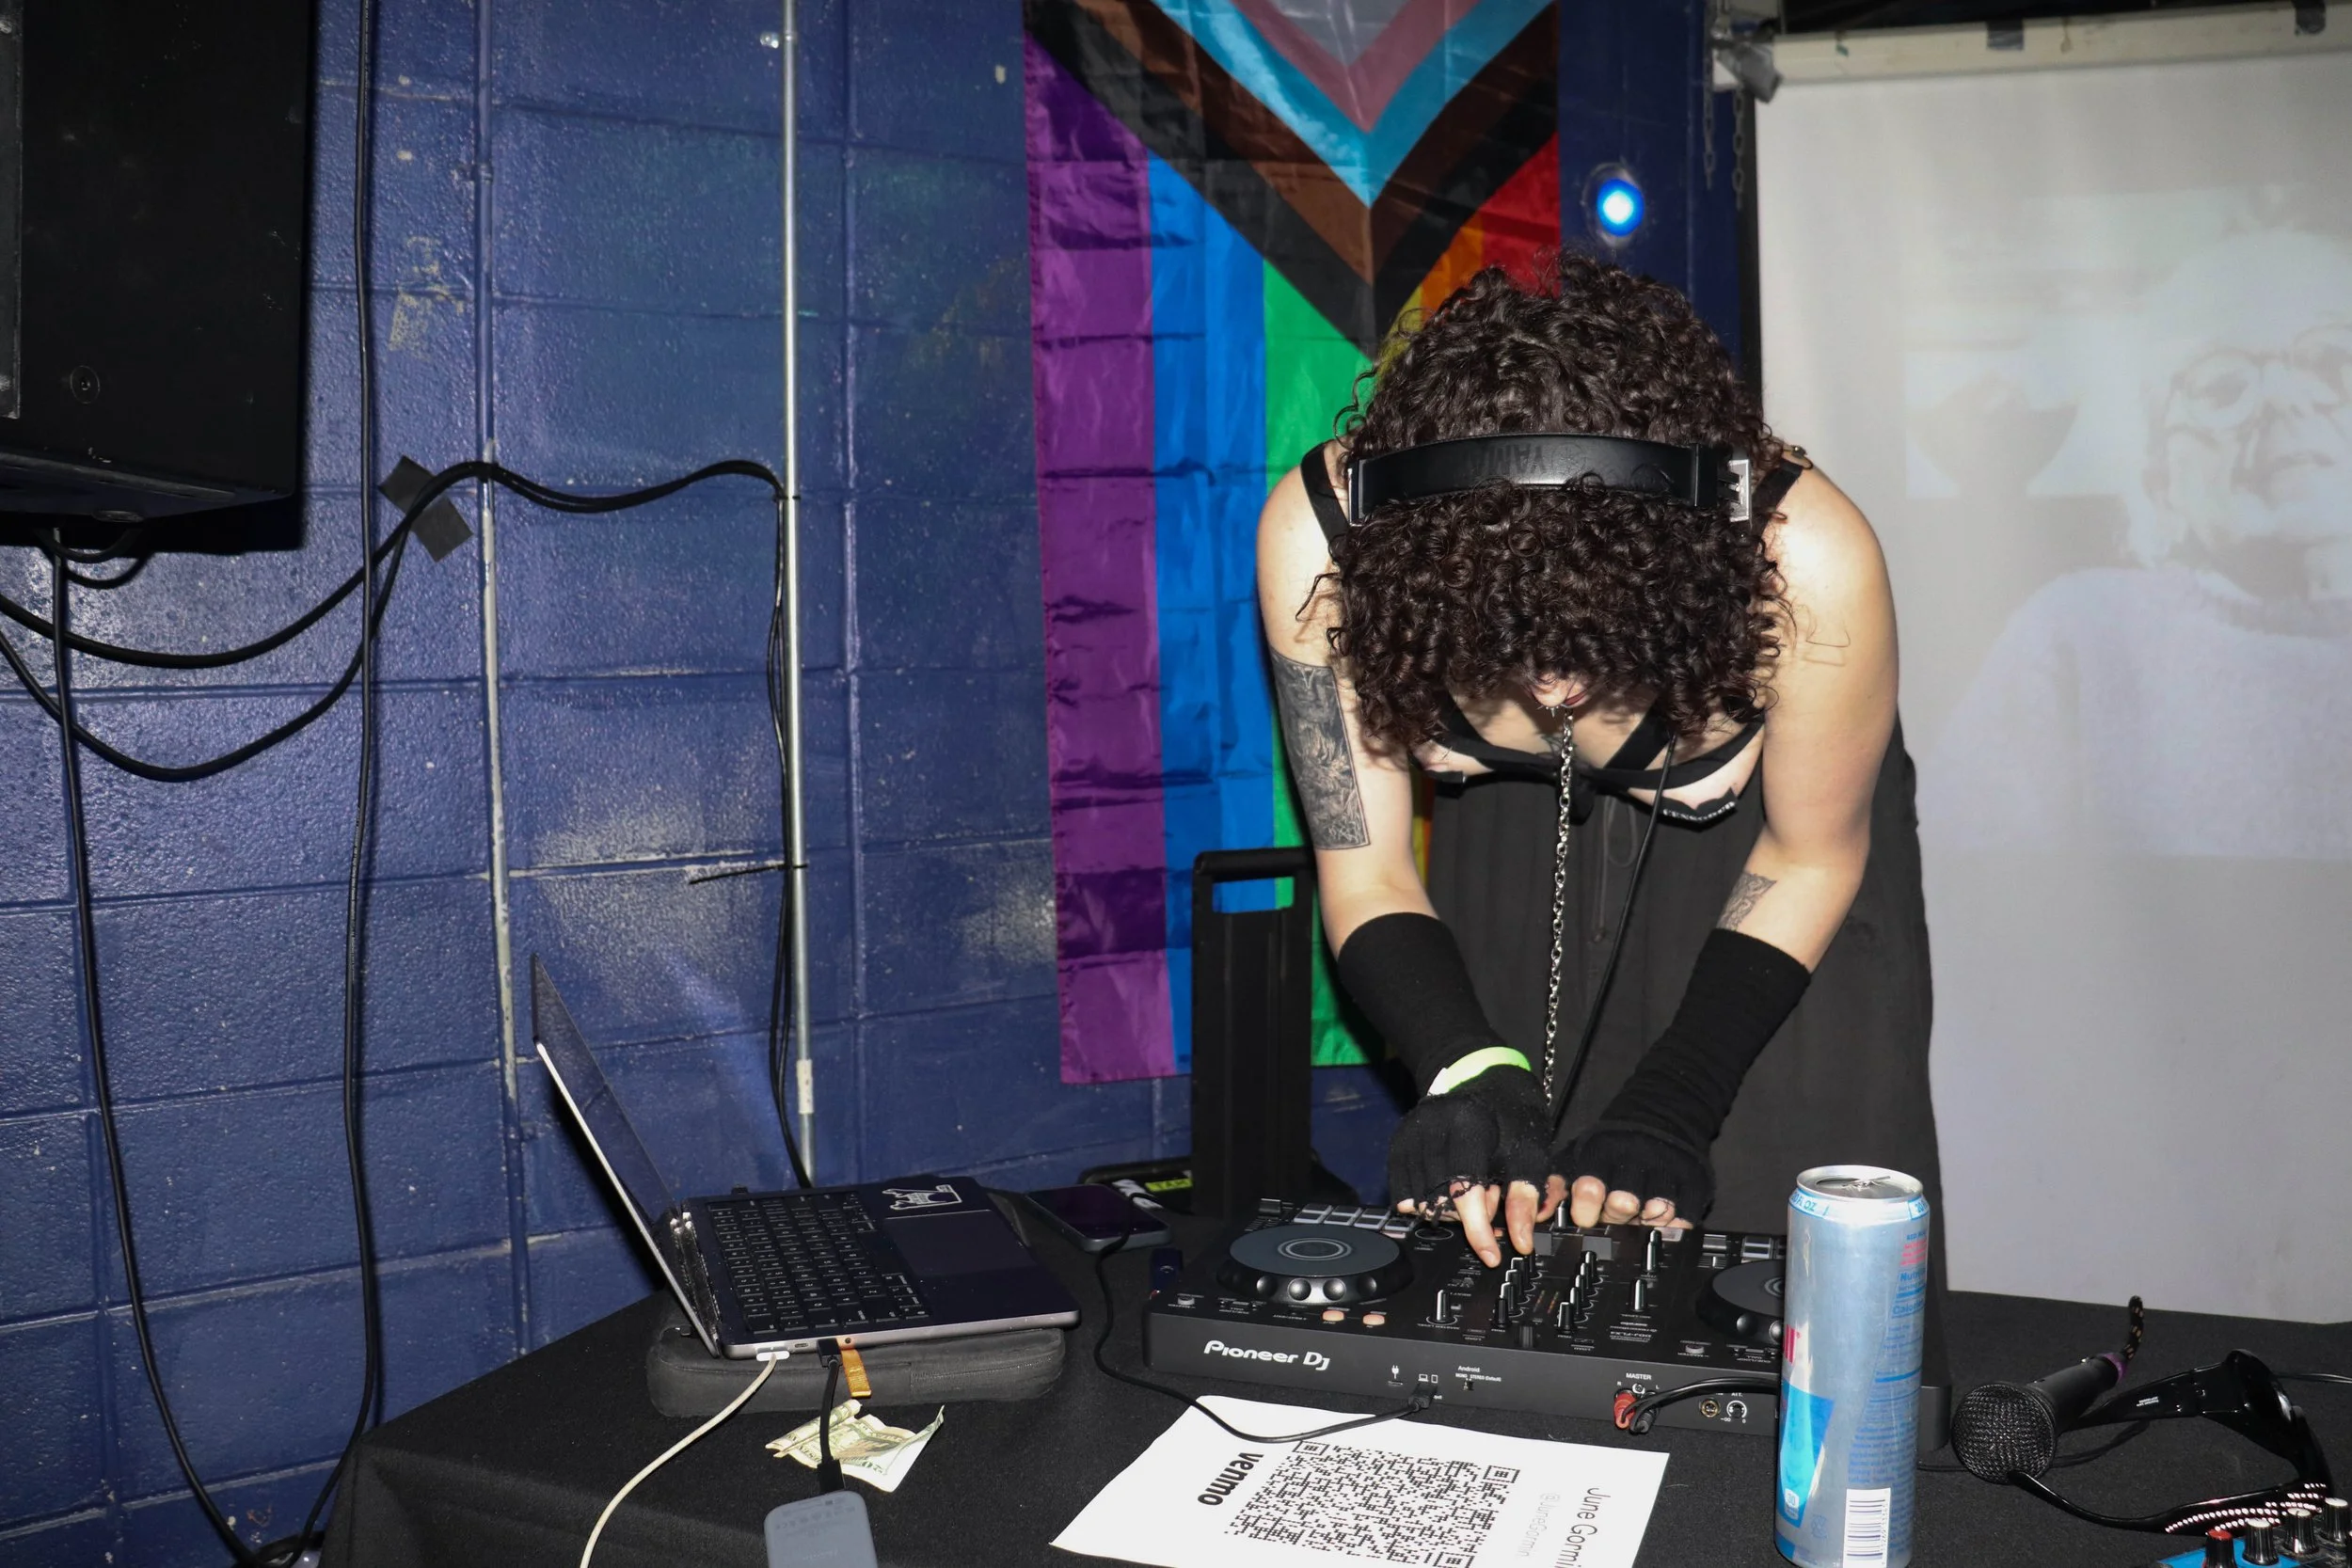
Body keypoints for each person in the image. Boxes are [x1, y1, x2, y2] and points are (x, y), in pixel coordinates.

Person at [1256, 254, 1941, 1267]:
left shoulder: (1805, 559)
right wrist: (1466, 1062)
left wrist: (1676, 1099)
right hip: (1507, 841)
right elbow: (1365, 865)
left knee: (1774, 1245)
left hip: (1776, 852)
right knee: (1500, 1182)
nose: (1554, 688)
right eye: (1504, 642)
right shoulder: (1324, 543)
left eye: (1593, 640)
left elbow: (1811, 857)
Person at [1923, 228, 2352, 859]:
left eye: (2332, 363)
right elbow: (1959, 879)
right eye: (2223, 387)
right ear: (2160, 480)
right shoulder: (2080, 631)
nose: (2286, 402)